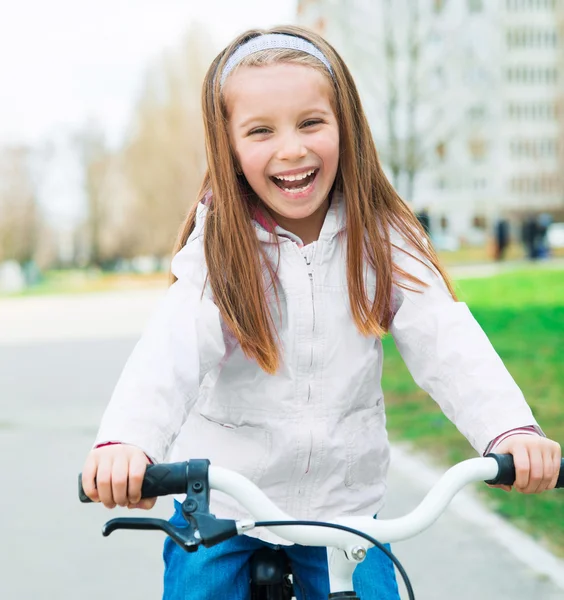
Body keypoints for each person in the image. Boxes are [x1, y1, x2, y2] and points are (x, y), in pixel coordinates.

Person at [81, 26, 561, 600]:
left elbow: (444, 338)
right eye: (260, 131)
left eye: (311, 123)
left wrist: (508, 429)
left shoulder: (383, 239)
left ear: (345, 127)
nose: (292, 149)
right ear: (229, 146)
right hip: (228, 508)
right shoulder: (221, 249)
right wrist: (127, 444)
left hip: (343, 510)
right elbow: (169, 353)